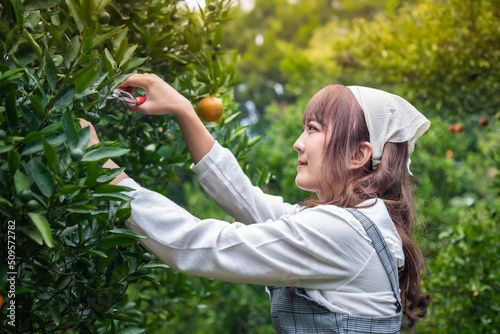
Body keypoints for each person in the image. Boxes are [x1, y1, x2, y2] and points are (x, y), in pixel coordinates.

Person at [81, 73, 431, 333]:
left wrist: (98, 161)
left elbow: (195, 244)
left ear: (359, 154)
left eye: (312, 128)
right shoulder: (356, 224)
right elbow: (247, 199)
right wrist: (184, 111)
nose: (298, 143)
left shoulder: (339, 232)